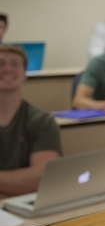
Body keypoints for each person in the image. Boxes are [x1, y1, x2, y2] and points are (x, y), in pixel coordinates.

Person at [0, 45, 61, 199]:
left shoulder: (41, 121)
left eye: (15, 64)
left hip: (24, 207)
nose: (7, 69)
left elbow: (42, 176)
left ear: (25, 74)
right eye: (0, 63)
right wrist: (17, 183)